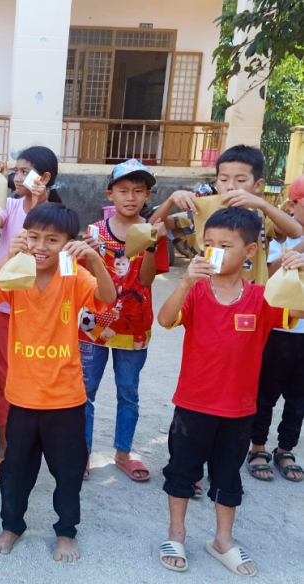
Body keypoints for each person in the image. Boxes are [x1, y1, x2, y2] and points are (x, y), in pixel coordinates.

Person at [156, 207, 304, 576]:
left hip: (239, 410)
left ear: (250, 251)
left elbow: (297, 311)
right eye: (208, 245)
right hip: (192, 405)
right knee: (182, 470)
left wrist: (296, 271)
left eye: (225, 245)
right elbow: (165, 319)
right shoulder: (198, 292)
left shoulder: (261, 298)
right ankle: (177, 531)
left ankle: (222, 539)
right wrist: (186, 282)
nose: (214, 252)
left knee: (227, 476)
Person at [0, 203, 116, 562]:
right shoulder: (17, 274)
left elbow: (108, 298)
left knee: (68, 473)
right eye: (34, 236)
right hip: (21, 398)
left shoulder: (74, 276)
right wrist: (8, 256)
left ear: (70, 242)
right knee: (15, 472)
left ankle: (66, 531)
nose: (41, 246)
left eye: (53, 240)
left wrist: (95, 260)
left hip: (66, 399)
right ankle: (12, 525)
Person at [79, 159, 169, 482]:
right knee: (84, 392)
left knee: (128, 391)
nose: (130, 197)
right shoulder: (93, 233)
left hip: (134, 327)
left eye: (138, 191)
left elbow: (146, 280)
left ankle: (122, 452)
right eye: (123, 190)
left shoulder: (153, 232)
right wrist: (86, 255)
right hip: (94, 327)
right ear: (110, 194)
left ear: (147, 195)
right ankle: (82, 454)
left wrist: (150, 247)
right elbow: (85, 280)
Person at [0, 146, 62, 481]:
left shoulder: (56, 213)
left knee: (37, 375)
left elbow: (42, 235)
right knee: (2, 378)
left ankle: (33, 445)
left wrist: (39, 201)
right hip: (4, 306)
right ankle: (4, 447)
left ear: (44, 178)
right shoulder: (9, 205)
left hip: (40, 308)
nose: (16, 175)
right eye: (15, 170)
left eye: (23, 171)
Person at [150, 144, 302, 284]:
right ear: (216, 181)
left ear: (257, 185)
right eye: (223, 179)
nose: (230, 187)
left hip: (252, 303)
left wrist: (262, 203)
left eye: (241, 180)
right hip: (208, 301)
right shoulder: (200, 212)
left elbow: (295, 231)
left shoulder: (259, 215)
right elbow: (151, 227)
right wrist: (170, 201)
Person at [247, 174, 304, 482]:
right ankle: (258, 446)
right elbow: (266, 281)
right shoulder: (277, 237)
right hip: (279, 331)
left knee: (299, 397)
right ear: (293, 204)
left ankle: (285, 448)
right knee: (266, 393)